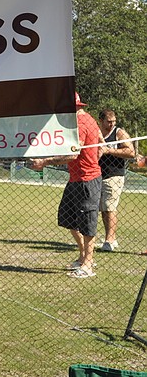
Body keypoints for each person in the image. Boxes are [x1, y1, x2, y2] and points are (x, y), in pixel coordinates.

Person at [29, 93, 102, 277]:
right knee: (68, 218)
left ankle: (88, 265)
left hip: (87, 180)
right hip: (75, 178)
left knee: (87, 223)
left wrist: (45, 162)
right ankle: (83, 256)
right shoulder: (85, 120)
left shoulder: (81, 124)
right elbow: (100, 143)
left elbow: (72, 154)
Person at [97, 108, 136, 251]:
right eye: (109, 121)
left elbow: (131, 152)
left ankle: (109, 240)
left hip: (115, 175)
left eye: (114, 121)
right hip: (99, 175)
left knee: (110, 207)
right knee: (103, 208)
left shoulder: (119, 133)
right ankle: (111, 238)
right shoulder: (97, 132)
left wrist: (109, 150)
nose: (112, 124)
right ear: (101, 120)